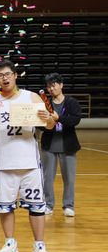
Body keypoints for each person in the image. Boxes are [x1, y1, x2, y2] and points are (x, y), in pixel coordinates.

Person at [0, 59, 55, 252]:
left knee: (36, 206)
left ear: (15, 75)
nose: (5, 78)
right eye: (0, 75)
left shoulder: (31, 96)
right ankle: (10, 242)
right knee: (5, 206)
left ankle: (39, 246)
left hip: (29, 162)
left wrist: (48, 118)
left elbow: (50, 126)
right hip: (4, 163)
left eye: (8, 74)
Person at [40, 73, 82, 217]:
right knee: (47, 178)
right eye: (49, 87)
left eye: (54, 85)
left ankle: (68, 206)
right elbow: (40, 125)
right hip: (49, 146)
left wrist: (59, 118)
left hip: (68, 146)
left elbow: (75, 120)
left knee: (69, 178)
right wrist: (48, 123)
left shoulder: (71, 102)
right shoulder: (45, 104)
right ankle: (48, 204)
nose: (51, 89)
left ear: (61, 85)